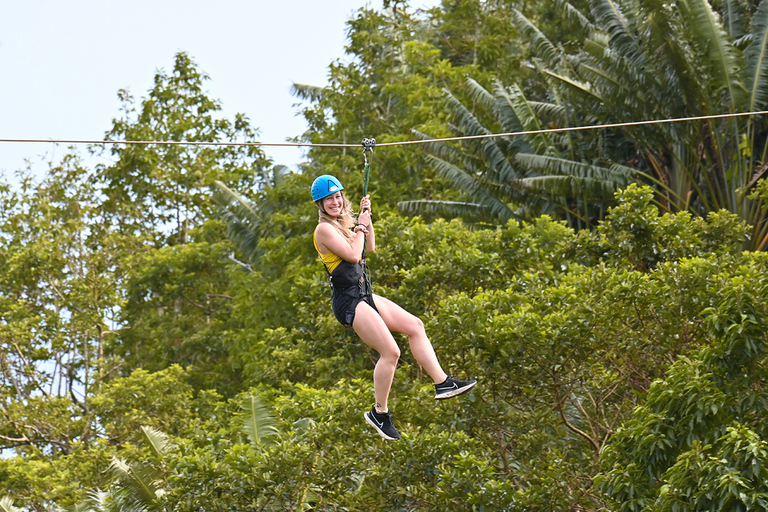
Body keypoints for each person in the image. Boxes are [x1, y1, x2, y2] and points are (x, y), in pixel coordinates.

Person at [311, 174, 476, 441]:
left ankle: (443, 383)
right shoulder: (324, 230)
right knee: (391, 351)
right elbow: (353, 255)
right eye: (329, 199)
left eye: (337, 196)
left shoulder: (343, 225)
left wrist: (366, 218)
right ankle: (380, 412)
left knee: (415, 326)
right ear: (320, 204)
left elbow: (370, 248)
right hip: (349, 301)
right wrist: (360, 227)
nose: (335, 202)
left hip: (365, 294)